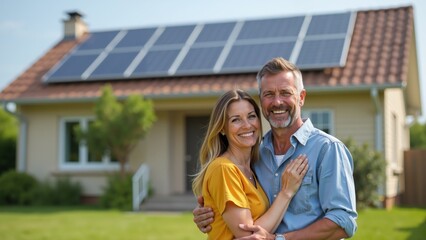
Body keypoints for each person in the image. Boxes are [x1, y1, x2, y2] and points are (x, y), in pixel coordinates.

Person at [193, 57, 358, 240]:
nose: (277, 102)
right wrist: (212, 213)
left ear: (301, 97)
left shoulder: (327, 149)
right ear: (262, 100)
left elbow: (343, 222)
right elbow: (242, 221)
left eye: (285, 93)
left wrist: (280, 239)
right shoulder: (257, 154)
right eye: (269, 94)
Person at [192, 89, 309, 239]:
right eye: (236, 119)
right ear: (222, 128)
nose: (247, 125)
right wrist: (286, 192)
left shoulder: (252, 167)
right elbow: (248, 234)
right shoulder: (223, 169)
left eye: (251, 116)